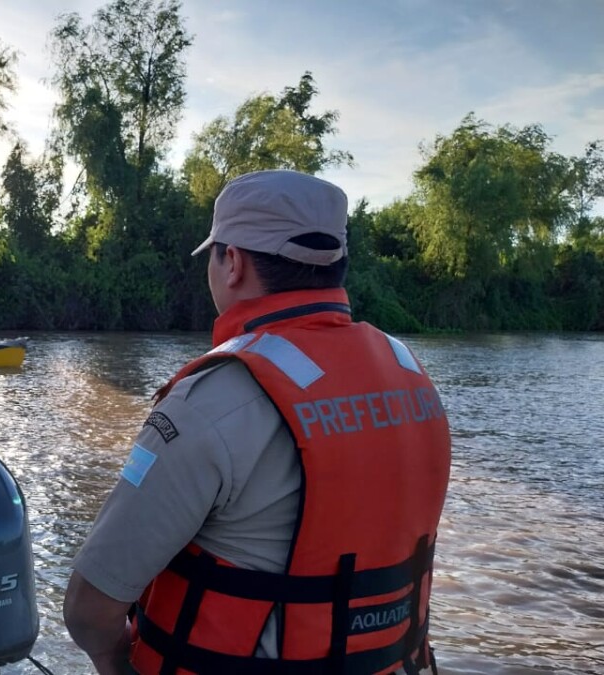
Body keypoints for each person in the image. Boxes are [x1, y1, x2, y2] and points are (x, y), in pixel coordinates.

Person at [63, 170, 452, 675]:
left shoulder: (211, 401)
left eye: (215, 254)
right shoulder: (412, 376)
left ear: (234, 263)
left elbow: (89, 609)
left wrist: (115, 661)